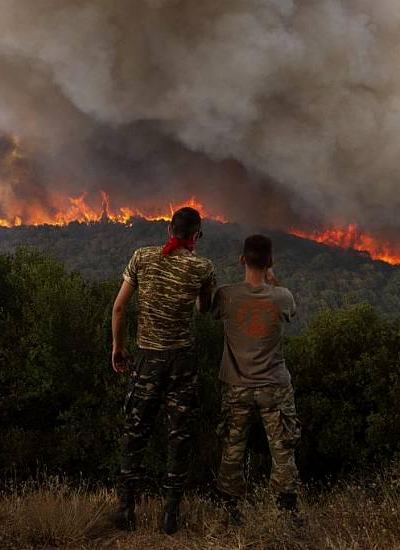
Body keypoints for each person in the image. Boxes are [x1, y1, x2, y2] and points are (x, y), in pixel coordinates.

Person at [110, 206, 215, 535]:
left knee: (135, 432)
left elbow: (118, 306)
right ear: (195, 235)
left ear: (169, 229)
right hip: (181, 361)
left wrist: (118, 346)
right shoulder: (202, 266)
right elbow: (204, 308)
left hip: (147, 359)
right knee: (178, 435)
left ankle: (126, 510)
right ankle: (170, 514)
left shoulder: (141, 257)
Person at [212, 234, 302, 526]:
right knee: (282, 448)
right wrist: (273, 280)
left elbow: (207, 309)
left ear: (242, 260)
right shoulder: (282, 297)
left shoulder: (226, 295)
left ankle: (229, 509)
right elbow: (289, 310)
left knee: (233, 446)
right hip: (274, 387)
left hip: (237, 386)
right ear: (270, 262)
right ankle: (287, 511)